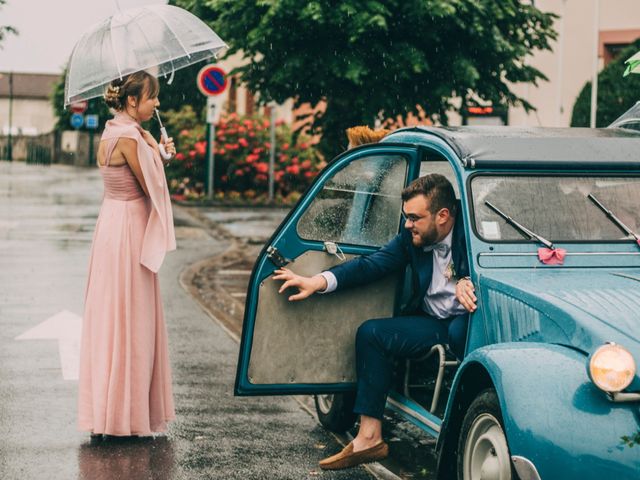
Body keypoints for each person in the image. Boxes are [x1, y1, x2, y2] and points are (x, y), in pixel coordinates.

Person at [273, 173, 477, 470]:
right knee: (372, 333)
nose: (407, 224)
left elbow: (500, 267)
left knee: (461, 332)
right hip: (432, 322)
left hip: (467, 323)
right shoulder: (411, 238)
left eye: (414, 218)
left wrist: (469, 280)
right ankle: (370, 437)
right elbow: (372, 265)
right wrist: (317, 281)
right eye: (407, 217)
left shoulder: (473, 232)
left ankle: (462, 435)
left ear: (443, 216)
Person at [78, 71, 177, 438]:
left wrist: (156, 152)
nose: (157, 104)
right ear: (132, 101)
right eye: (152, 97)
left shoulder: (110, 132)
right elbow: (152, 186)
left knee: (109, 320)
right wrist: (162, 155)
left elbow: (143, 175)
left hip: (110, 225)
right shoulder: (131, 137)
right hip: (130, 229)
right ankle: (123, 416)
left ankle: (104, 412)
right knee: (132, 321)